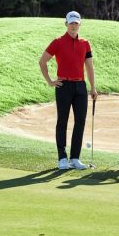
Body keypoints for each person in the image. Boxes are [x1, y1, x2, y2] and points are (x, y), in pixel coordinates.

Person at [39, 11, 98, 170]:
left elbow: (89, 67)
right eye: (71, 23)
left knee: (80, 121)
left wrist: (92, 88)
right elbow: (42, 61)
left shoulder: (85, 43)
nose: (73, 26)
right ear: (66, 24)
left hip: (80, 87)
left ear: (80, 25)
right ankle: (62, 158)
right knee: (62, 121)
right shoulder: (57, 42)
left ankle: (75, 158)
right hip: (63, 86)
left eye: (76, 23)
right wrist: (50, 81)